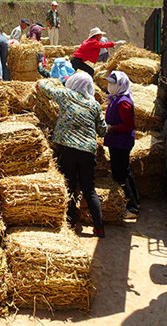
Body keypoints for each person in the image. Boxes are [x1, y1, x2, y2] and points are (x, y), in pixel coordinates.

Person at [37, 72, 108, 237]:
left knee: (69, 185)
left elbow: (45, 88)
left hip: (67, 148)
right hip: (87, 152)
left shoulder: (66, 95)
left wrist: (41, 81)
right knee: (89, 189)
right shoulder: (94, 104)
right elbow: (103, 130)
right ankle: (99, 227)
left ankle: (71, 222)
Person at [104, 71, 140, 219]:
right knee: (125, 171)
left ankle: (132, 208)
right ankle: (135, 202)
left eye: (112, 83)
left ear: (120, 85)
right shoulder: (116, 98)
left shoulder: (123, 102)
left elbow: (129, 125)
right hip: (117, 141)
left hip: (121, 142)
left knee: (121, 174)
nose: (109, 86)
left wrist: (112, 128)